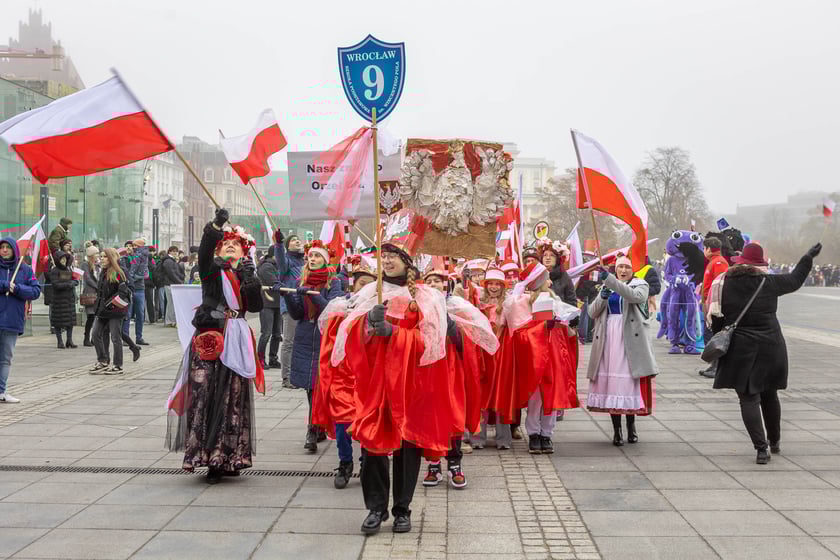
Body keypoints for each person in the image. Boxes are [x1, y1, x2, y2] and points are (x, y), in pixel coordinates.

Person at [325, 242, 453, 534]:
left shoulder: (426, 297)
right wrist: (369, 323)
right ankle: (375, 508)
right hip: (377, 384)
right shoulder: (370, 293)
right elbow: (350, 336)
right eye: (385, 256)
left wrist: (395, 333)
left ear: (409, 262)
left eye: (394, 255)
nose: (388, 260)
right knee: (372, 445)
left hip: (411, 384)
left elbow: (432, 345)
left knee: (408, 448)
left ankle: (402, 510)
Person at [165, 208, 264, 482]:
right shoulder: (212, 272)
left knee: (232, 399)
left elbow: (254, 307)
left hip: (235, 342)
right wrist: (216, 226)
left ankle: (228, 456)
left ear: (244, 254)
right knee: (207, 396)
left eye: (237, 245)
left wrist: (251, 280)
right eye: (226, 244)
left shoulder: (245, 274)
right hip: (211, 340)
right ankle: (207, 455)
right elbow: (206, 249)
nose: (231, 247)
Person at [711, 242, 820, 465]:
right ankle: (775, 441)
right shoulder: (769, 282)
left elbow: (716, 319)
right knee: (770, 394)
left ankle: (761, 449)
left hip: (740, 348)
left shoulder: (723, 283)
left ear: (740, 262)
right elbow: (796, 279)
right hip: (771, 345)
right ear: (760, 264)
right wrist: (808, 256)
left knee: (748, 398)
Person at [313, 258, 377, 489]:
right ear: (353, 285)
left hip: (369, 378)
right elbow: (329, 346)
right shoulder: (340, 307)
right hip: (344, 376)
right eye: (362, 284)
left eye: (371, 285)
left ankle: (367, 462)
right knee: (342, 423)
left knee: (370, 423)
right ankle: (345, 461)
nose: (365, 289)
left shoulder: (382, 310)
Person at [586, 256, 659, 446]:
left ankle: (631, 426)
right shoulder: (608, 286)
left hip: (629, 339)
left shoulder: (639, 284)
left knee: (627, 384)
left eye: (627, 267)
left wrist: (610, 280)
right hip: (608, 338)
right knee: (611, 385)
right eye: (620, 267)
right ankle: (617, 430)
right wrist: (603, 296)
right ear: (615, 269)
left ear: (632, 269)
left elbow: (635, 297)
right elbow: (592, 312)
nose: (623, 270)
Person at [283, 240, 343, 453]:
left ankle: (312, 428)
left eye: (318, 256)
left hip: (324, 337)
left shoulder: (333, 282)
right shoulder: (302, 279)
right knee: (310, 385)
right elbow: (297, 313)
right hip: (305, 336)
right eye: (311, 256)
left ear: (325, 260)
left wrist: (313, 296)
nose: (313, 259)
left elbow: (333, 309)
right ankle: (315, 425)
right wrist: (289, 297)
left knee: (320, 383)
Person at [474, 265, 513, 450]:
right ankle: (477, 437)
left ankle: (503, 438)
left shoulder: (508, 304)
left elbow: (511, 327)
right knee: (481, 393)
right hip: (482, 353)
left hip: (501, 354)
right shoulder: (478, 302)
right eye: (491, 283)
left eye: (498, 284)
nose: (494, 287)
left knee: (501, 393)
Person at [0, 237, 42, 403]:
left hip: (12, 321)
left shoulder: (24, 270)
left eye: (7, 247)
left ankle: (2, 391)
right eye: (2, 247)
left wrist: (17, 288)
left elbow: (35, 291)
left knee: (6, 358)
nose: (4, 250)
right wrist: (5, 285)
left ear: (14, 250)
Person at [89, 248, 141, 374]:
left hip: (116, 310)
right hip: (102, 310)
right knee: (95, 334)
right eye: (101, 256)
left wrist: (115, 301)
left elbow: (127, 290)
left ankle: (118, 365)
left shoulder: (119, 272)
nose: (102, 259)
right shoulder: (103, 272)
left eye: (105, 257)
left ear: (111, 258)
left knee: (115, 337)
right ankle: (103, 360)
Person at [274, 231, 305, 389]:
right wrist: (278, 244)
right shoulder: (286, 261)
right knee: (289, 342)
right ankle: (286, 377)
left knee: (300, 342)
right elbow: (279, 260)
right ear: (287, 246)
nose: (297, 241)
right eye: (293, 240)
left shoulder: (305, 262)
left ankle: (299, 374)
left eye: (298, 239)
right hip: (290, 305)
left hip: (305, 306)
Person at [699, 237, 729, 378]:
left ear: (709, 249)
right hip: (708, 302)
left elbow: (720, 285)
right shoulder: (714, 262)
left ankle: (716, 366)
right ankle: (714, 365)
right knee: (710, 334)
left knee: (712, 335)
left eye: (704, 248)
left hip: (714, 305)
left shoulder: (718, 262)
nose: (703, 251)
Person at [257, 246, 283, 369]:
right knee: (266, 333)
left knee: (277, 334)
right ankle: (260, 359)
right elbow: (275, 282)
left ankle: (273, 358)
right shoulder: (266, 266)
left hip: (278, 304)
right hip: (267, 303)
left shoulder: (277, 266)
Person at [47, 250, 79, 349]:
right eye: (62, 259)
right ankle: (59, 341)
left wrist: (75, 282)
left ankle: (69, 340)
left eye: (65, 259)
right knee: (58, 322)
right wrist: (69, 284)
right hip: (58, 300)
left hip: (69, 299)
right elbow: (56, 285)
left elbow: (74, 280)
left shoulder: (69, 269)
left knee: (70, 321)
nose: (64, 261)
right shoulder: (54, 270)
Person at [122, 239, 150, 345]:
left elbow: (146, 274)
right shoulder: (124, 259)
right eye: (128, 246)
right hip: (129, 288)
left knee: (140, 313)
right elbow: (124, 272)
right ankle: (125, 338)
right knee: (127, 314)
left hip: (139, 288)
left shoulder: (141, 257)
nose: (130, 247)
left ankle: (139, 337)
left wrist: (134, 277)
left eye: (132, 246)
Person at [540, 240, 576, 305]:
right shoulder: (536, 276)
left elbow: (572, 303)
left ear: (557, 259)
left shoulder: (565, 278)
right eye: (545, 255)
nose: (548, 258)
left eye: (552, 255)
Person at [80, 245, 100, 347]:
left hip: (98, 294)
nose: (98, 255)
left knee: (96, 317)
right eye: (96, 254)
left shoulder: (98, 265)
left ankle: (94, 338)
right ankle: (86, 338)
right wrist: (98, 287)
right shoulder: (85, 264)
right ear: (91, 255)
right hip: (90, 293)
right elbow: (87, 278)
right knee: (91, 317)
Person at [161, 245, 183, 327]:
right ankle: (171, 321)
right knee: (172, 304)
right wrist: (180, 281)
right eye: (173, 251)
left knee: (170, 304)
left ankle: (169, 321)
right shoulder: (168, 261)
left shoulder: (171, 260)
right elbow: (171, 273)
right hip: (170, 284)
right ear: (169, 252)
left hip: (171, 284)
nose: (175, 252)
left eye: (176, 251)